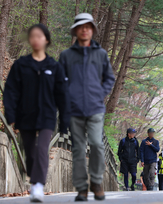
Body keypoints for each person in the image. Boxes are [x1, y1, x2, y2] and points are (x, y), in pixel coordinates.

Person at [3, 24, 70, 202]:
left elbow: (62, 95)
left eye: (39, 36)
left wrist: (64, 121)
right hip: (25, 115)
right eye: (32, 36)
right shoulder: (21, 65)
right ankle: (34, 182)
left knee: (42, 149)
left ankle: (38, 185)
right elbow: (10, 90)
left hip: (47, 116)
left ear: (46, 40)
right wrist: (10, 114)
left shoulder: (54, 67)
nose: (35, 39)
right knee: (30, 151)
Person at [59, 13, 115, 201]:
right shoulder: (66, 55)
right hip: (74, 109)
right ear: (76, 30)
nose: (85, 29)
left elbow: (109, 78)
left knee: (97, 144)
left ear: (92, 30)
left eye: (88, 26)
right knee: (78, 149)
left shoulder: (100, 54)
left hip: (95, 107)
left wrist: (100, 93)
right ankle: (82, 188)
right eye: (81, 27)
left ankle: (96, 182)